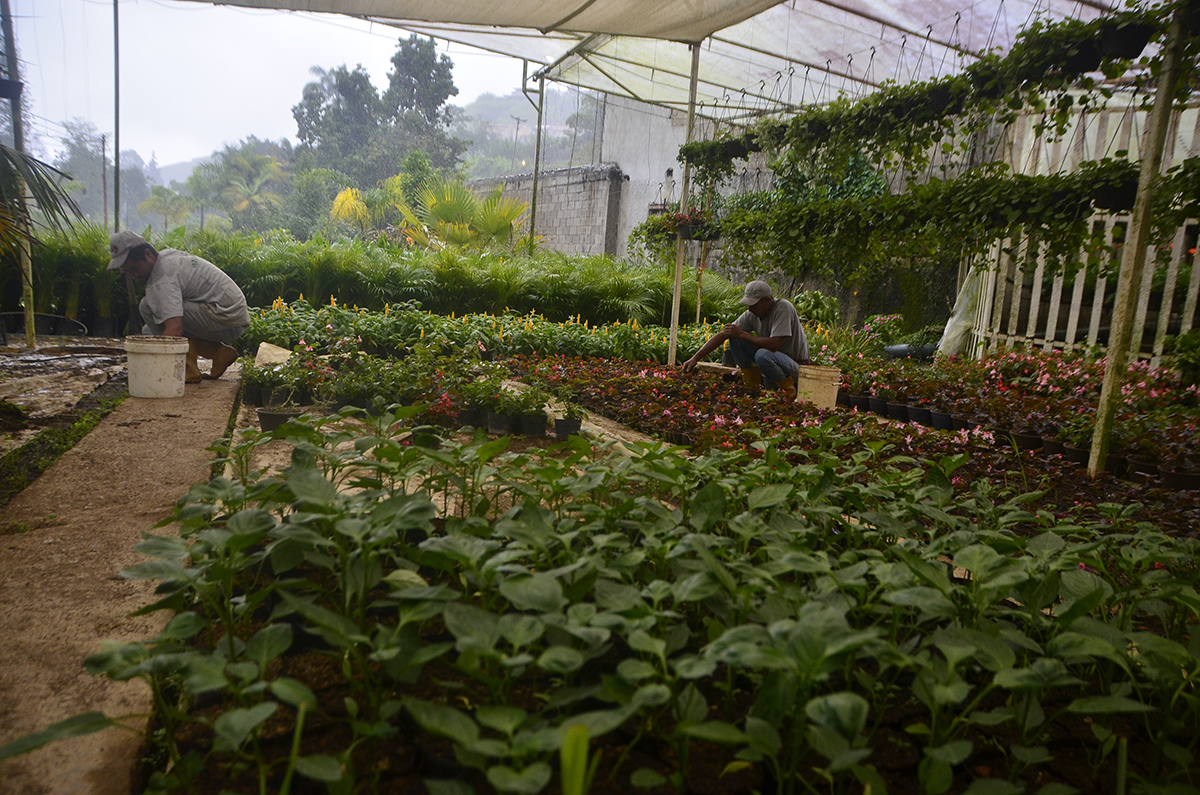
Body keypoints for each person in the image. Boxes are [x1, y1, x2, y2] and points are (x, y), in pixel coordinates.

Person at [107, 230, 249, 384]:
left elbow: (175, 330)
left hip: (225, 318)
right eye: (128, 272)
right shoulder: (166, 256)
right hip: (227, 315)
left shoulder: (162, 278)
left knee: (149, 307)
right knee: (149, 330)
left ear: (148, 254)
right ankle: (219, 353)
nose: (134, 275)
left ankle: (188, 370)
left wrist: (159, 371)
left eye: (135, 268)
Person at [681, 280, 810, 400]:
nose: (750, 309)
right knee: (735, 339)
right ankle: (752, 387)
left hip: (796, 366)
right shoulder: (752, 314)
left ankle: (788, 392)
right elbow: (724, 334)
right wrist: (695, 358)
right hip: (773, 361)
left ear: (768, 300)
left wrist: (742, 334)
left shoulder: (783, 308)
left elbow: (774, 345)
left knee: (762, 354)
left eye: (754, 305)